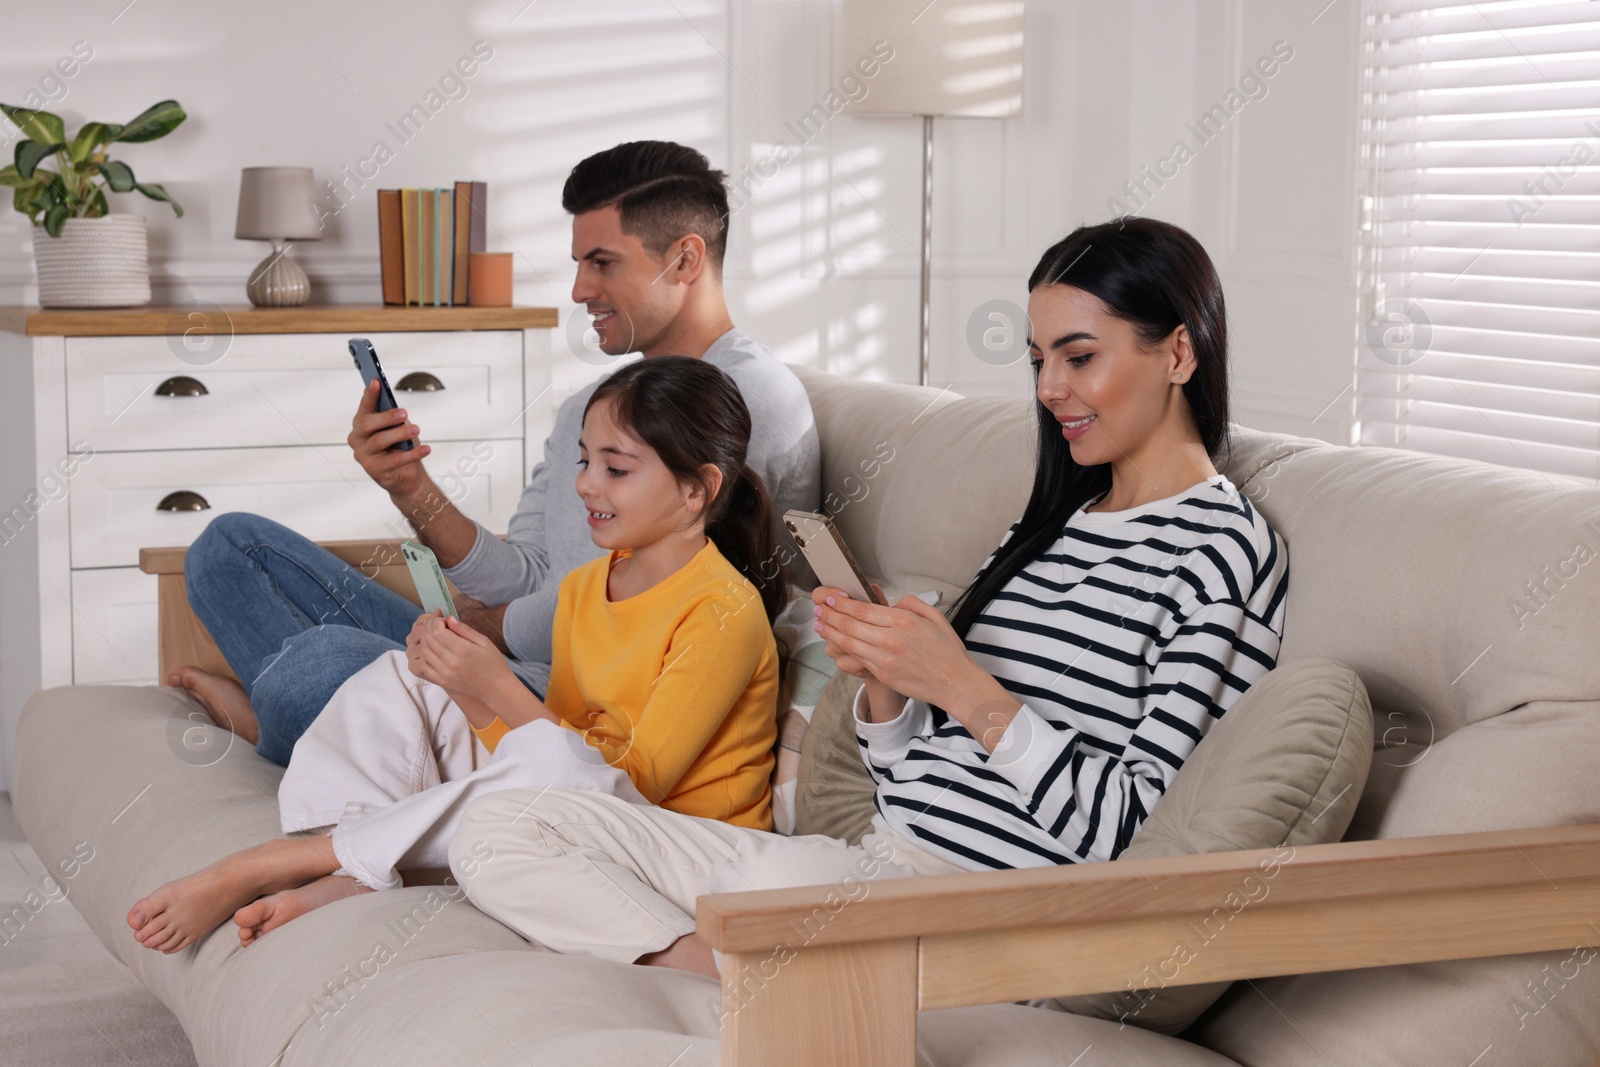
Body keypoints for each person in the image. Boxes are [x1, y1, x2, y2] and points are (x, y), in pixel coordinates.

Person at [440, 216, 1291, 979]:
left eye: (1079, 357)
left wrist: (963, 685)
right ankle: (708, 964)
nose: (1048, 390)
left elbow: (1130, 835)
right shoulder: (1046, 527)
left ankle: (760, 972)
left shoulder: (1219, 553)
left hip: (978, 913)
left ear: (1177, 353)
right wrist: (887, 683)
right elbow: (909, 773)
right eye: (1038, 361)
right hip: (873, 865)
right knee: (504, 827)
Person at [171, 140, 821, 766]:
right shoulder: (594, 409)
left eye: (603, 262)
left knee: (312, 667)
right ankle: (309, 727)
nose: (577, 290)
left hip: (577, 711)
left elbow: (656, 596)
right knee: (228, 548)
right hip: (505, 663)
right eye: (577, 263)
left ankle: (278, 723)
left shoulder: (744, 400)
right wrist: (409, 485)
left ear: (684, 261)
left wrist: (484, 631)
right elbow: (528, 568)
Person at [126, 356, 788, 954]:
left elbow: (629, 782)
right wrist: (467, 686)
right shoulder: (591, 583)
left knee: (545, 759)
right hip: (576, 795)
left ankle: (277, 860)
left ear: (698, 488)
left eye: (615, 469)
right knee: (397, 677)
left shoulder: (722, 611)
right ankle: (351, 869)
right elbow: (543, 752)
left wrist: (497, 686)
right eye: (583, 461)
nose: (587, 485)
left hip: (667, 841)